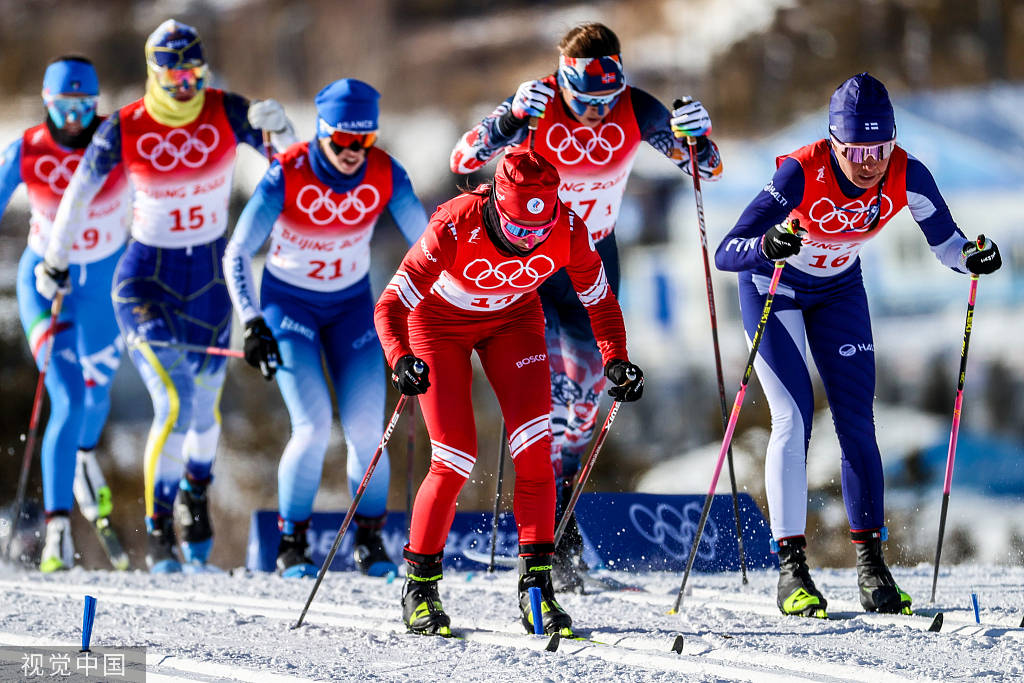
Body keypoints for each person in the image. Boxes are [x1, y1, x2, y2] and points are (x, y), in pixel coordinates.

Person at [715, 72, 1002, 617]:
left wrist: (973, 257)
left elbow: (946, 242)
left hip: (839, 290)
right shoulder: (800, 172)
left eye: (881, 148)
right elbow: (728, 250)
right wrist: (767, 243)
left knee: (856, 421)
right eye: (857, 150)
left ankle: (872, 568)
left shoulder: (908, 173)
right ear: (833, 141)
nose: (870, 162)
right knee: (794, 420)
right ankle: (792, 569)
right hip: (772, 287)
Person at [450, 22, 721, 590]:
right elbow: (462, 159)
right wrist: (507, 121)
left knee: (583, 403)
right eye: (586, 102)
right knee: (539, 395)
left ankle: (563, 512)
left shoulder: (633, 106)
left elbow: (705, 168)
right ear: (564, 81)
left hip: (591, 260)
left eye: (607, 100)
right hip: (528, 266)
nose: (598, 113)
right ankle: (539, 531)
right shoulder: (539, 102)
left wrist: (699, 137)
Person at [37, 20, 298, 573]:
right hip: (145, 283)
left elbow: (293, 170)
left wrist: (286, 131)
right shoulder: (126, 125)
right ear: (154, 74)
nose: (185, 87)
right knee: (175, 403)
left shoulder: (226, 109)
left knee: (205, 418)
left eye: (194, 75)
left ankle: (195, 493)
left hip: (209, 284)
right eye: (174, 76)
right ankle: (159, 535)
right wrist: (54, 261)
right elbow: (78, 195)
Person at [375, 150, 644, 636]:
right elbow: (390, 304)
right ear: (498, 204)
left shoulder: (567, 229)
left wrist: (616, 358)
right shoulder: (454, 225)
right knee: (455, 456)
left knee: (537, 453)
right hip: (439, 325)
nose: (527, 241)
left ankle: (537, 587)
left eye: (536, 233)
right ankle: (420, 587)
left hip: (514, 321)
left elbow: (600, 301)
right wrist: (400, 359)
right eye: (518, 229)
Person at [224, 78, 428, 578]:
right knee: (313, 427)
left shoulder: (385, 173)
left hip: (351, 308)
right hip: (288, 310)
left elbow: (429, 245)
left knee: (366, 432)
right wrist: (252, 323)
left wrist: (439, 307)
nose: (354, 153)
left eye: (365, 141)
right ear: (322, 133)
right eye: (343, 141)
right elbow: (236, 253)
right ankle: (292, 542)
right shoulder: (286, 175)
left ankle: (370, 539)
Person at [0, 55, 131, 572]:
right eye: (63, 105)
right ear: (47, 103)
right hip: (45, 286)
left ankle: (81, 460)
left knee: (96, 397)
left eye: (84, 105)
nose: (74, 117)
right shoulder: (28, 149)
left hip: (105, 294)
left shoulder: (119, 143)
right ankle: (56, 529)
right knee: (68, 395)